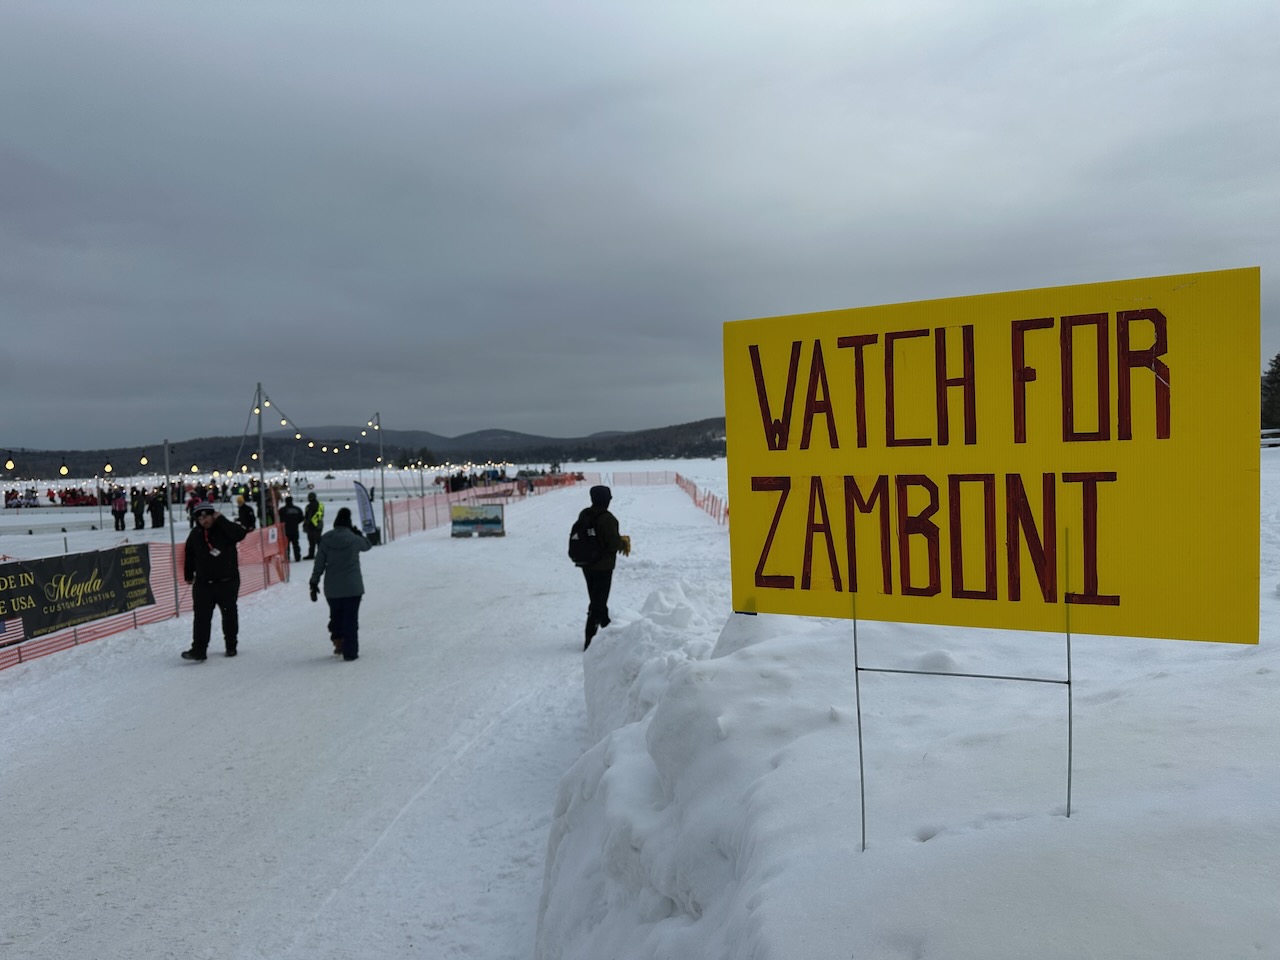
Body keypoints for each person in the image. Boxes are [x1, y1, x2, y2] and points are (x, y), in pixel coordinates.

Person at [181, 502, 247, 661]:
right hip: (203, 584)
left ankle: (231, 645)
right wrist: (188, 575)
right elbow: (189, 555)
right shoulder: (195, 534)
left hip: (227, 582)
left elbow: (240, 534)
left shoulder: (224, 529)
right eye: (200, 518)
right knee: (201, 617)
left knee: (229, 614)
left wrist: (222, 520)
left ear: (213, 515)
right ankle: (199, 649)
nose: (205, 520)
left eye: (207, 516)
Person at [309, 507, 371, 661]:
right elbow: (368, 545)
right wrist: (358, 533)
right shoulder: (354, 539)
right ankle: (350, 652)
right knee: (351, 619)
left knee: (336, 615)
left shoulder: (326, 539)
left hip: (332, 588)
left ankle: (338, 641)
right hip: (353, 587)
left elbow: (319, 563)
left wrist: (314, 581)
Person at [577, 484, 630, 651]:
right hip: (603, 566)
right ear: (607, 500)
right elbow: (612, 544)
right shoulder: (608, 519)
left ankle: (606, 630)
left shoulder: (585, 514)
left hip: (586, 564)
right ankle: (591, 642)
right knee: (598, 602)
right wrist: (623, 542)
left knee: (597, 599)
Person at [278, 494, 305, 562]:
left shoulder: (282, 510)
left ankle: (287, 558)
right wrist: (295, 523)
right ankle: (297, 557)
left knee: (286, 546)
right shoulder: (297, 509)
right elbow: (301, 518)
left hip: (285, 530)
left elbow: (279, 519)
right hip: (295, 529)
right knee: (296, 544)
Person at [303, 491, 324, 559]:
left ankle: (314, 555)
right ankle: (318, 554)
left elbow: (308, 517)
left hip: (314, 525)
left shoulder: (310, 506)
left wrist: (306, 524)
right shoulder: (319, 505)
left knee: (314, 541)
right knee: (315, 541)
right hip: (316, 525)